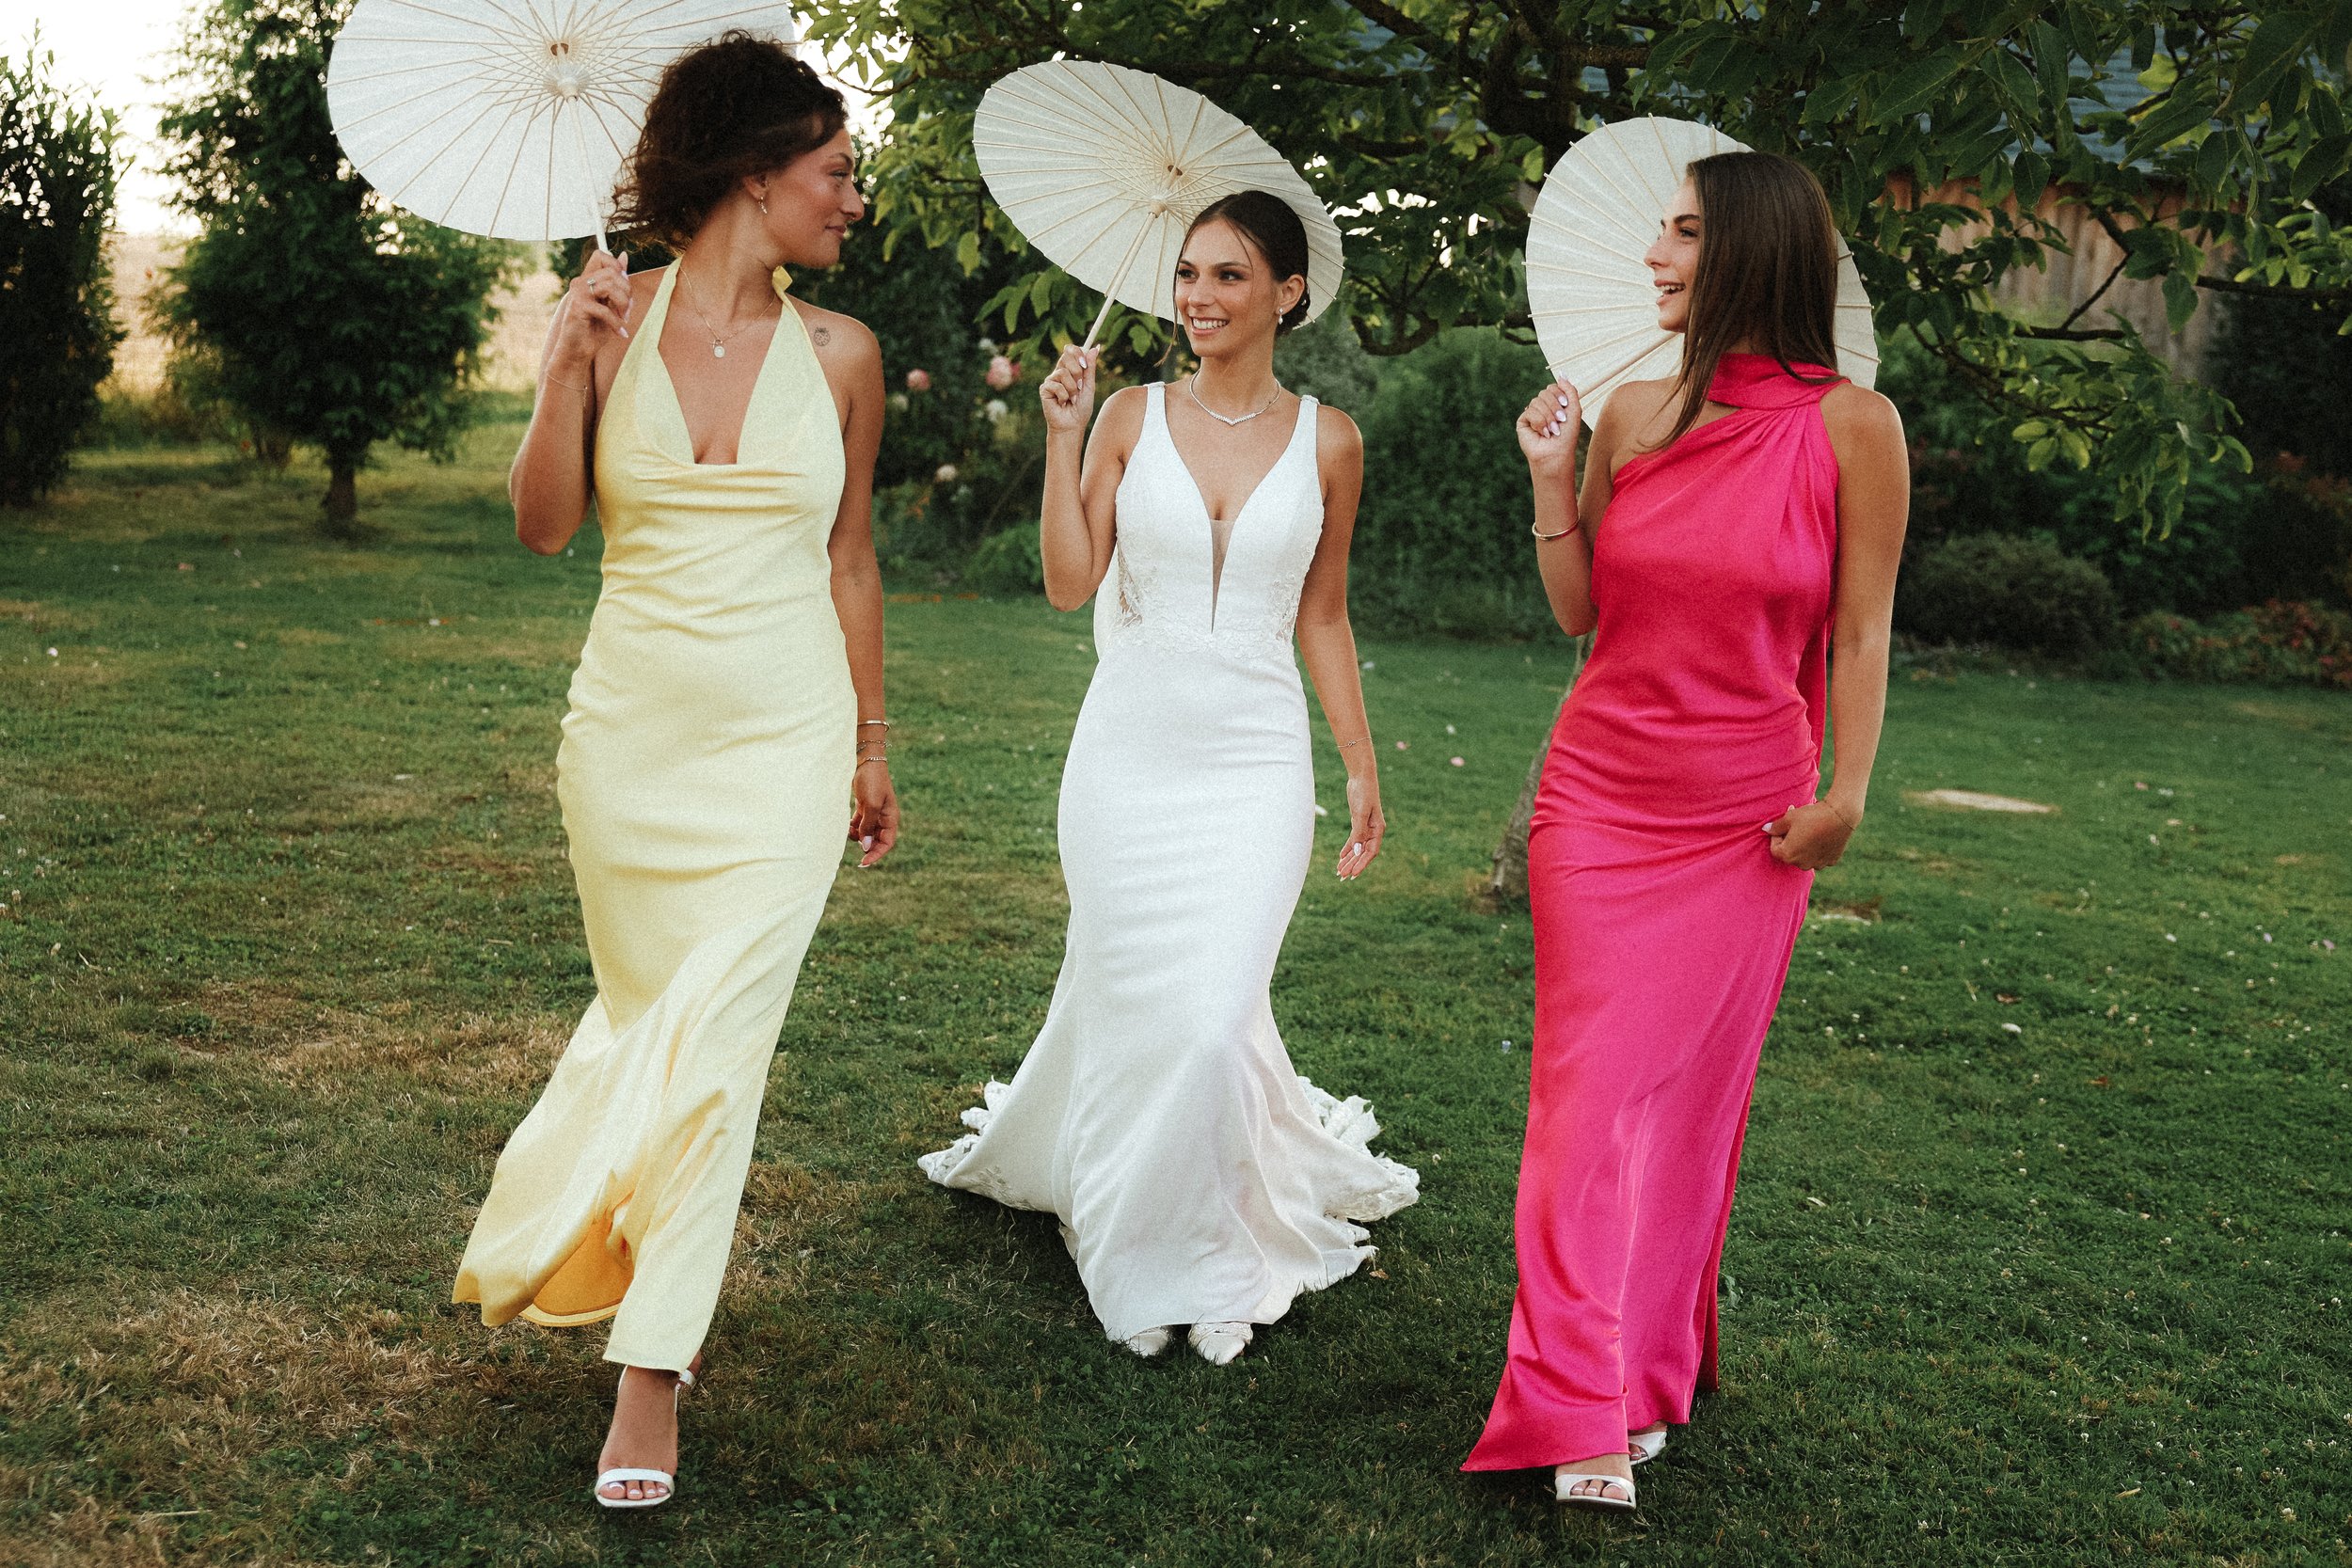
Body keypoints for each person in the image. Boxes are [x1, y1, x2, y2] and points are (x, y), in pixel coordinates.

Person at [450, 35, 896, 1510]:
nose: (854, 198)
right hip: (628, 741)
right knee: (656, 1020)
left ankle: (652, 1373)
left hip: (785, 739)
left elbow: (850, 559)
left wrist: (872, 739)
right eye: (834, 173)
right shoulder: (608, 313)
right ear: (756, 174)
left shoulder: (843, 353)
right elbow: (543, 526)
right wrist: (558, 371)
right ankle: (604, 1243)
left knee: (719, 1047)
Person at [1461, 150, 1909, 1509]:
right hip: (1598, 800)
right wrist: (1553, 479)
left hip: (1748, 822)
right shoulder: (1634, 409)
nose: (1656, 259)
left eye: (1685, 235)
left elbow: (1864, 624)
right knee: (1586, 1105)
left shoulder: (1856, 428)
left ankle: (1641, 1371)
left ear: (1755, 254)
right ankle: (1572, 1396)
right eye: (1661, 235)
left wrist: (1849, 792)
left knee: (1685, 1115)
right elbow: (1581, 608)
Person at [918, 191, 1417, 1365]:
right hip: (1125, 759)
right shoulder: (1129, 415)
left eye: (1229, 275)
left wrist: (1359, 764)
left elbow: (1325, 613)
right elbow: (1063, 581)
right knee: (1147, 1001)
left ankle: (1212, 1250)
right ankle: (1144, 1244)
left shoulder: (1331, 439)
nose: (1198, 296)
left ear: (1288, 293)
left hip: (1253, 760)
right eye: (1188, 273)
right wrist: (1060, 436)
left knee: (1210, 1015)